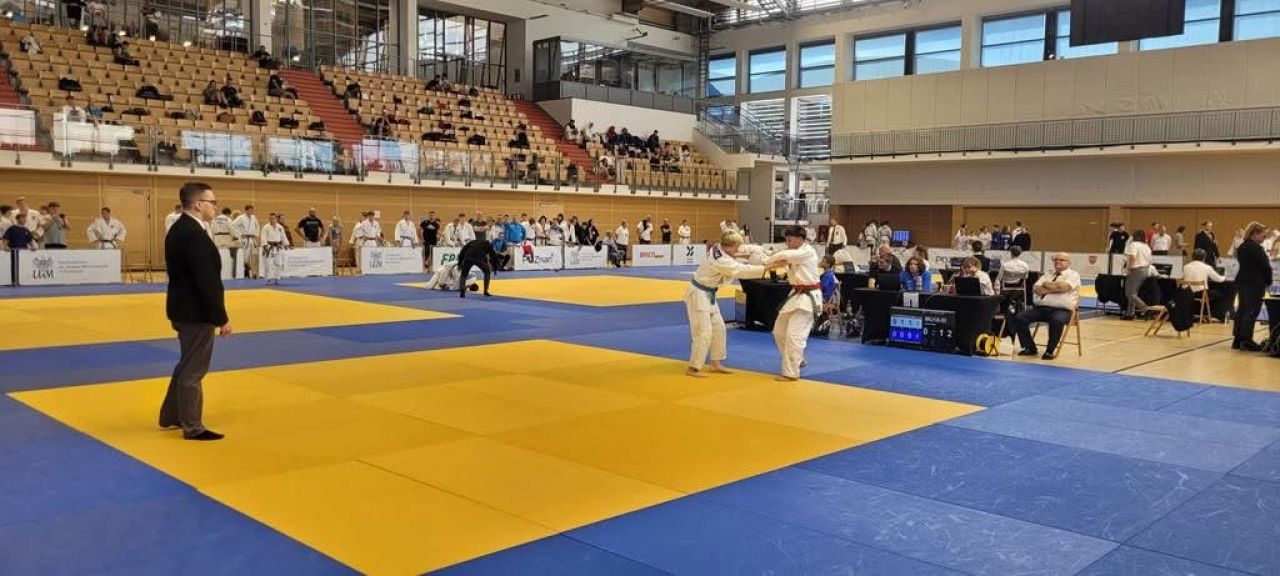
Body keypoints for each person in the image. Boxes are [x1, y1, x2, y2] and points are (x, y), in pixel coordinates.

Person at [161, 182, 230, 441]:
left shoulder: (180, 228)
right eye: (212, 202)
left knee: (186, 364)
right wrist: (221, 317)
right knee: (194, 370)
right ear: (198, 204)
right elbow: (206, 279)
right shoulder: (193, 234)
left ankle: (171, 415)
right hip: (196, 312)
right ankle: (193, 426)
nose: (215, 207)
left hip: (182, 307)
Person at [684, 230, 767, 377]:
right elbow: (742, 270)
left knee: (719, 329)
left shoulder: (720, 247)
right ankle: (694, 367)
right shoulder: (720, 260)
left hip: (708, 294)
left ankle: (715, 363)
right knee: (703, 332)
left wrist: (762, 252)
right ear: (728, 246)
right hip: (698, 295)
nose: (738, 249)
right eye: (736, 247)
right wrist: (768, 267)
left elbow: (743, 250)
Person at [763, 226, 821, 381]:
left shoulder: (807, 252)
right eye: (786, 240)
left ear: (801, 239)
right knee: (779, 331)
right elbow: (779, 255)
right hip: (796, 294)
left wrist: (767, 261)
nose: (787, 243)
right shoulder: (793, 253)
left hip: (808, 296)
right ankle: (798, 359)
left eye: (790, 240)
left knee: (795, 335)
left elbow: (784, 255)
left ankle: (791, 373)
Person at [1010, 252, 1080, 360]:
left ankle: (1049, 351)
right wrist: (1056, 288)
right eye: (1056, 260)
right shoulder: (1048, 274)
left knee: (1057, 321)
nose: (1058, 262)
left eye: (1061, 260)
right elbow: (1037, 289)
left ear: (1069, 262)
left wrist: (1046, 285)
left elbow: (1063, 287)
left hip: (1062, 310)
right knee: (1020, 317)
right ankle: (1030, 347)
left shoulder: (1073, 275)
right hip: (1041, 309)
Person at [1232, 222, 1272, 352]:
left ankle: (1237, 340)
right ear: (1255, 234)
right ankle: (1246, 340)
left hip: (1242, 281)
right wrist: (1269, 280)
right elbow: (1265, 266)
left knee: (1242, 310)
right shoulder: (1256, 248)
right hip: (1254, 283)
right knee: (1251, 311)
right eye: (1263, 236)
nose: (1264, 239)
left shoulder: (1242, 247)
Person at [1123, 229, 1153, 320]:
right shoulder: (1146, 246)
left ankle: (1145, 308)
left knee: (1129, 293)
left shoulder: (1133, 245)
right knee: (1134, 292)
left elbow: (1133, 257)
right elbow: (1150, 260)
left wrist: (1129, 268)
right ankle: (1130, 313)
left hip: (1136, 269)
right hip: (1145, 269)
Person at [261, 212, 289, 285]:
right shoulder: (265, 227)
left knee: (278, 263)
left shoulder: (280, 227)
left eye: (273, 218)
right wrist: (265, 246)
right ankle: (269, 279)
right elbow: (263, 238)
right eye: (270, 219)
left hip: (277, 247)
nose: (272, 220)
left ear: (276, 219)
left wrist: (286, 244)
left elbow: (283, 236)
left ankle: (277, 278)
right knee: (268, 264)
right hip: (269, 247)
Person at [232, 205, 260, 278]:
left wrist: (256, 234)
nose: (252, 211)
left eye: (252, 210)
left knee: (254, 256)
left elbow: (257, 226)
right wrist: (239, 234)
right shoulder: (241, 217)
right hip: (245, 239)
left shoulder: (253, 217)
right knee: (245, 257)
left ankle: (254, 273)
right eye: (251, 210)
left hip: (252, 239)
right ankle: (246, 272)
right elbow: (233, 225)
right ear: (246, 210)